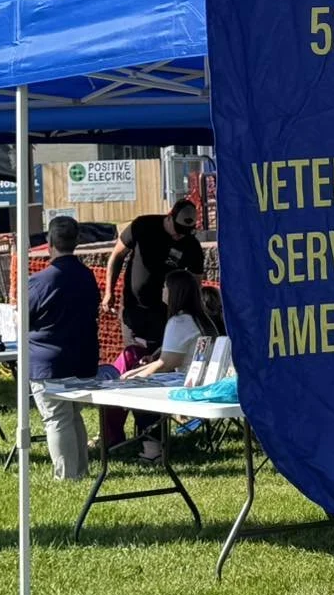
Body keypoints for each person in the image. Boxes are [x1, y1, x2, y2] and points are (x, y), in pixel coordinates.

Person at [24, 215, 101, 480]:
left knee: (56, 418)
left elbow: (23, 319)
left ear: (49, 244)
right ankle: (80, 470)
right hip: (83, 359)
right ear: (76, 241)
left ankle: (67, 476)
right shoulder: (88, 276)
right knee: (73, 415)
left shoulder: (39, 281)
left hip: (49, 363)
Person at [112, 270, 205, 460]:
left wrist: (133, 375)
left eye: (165, 287)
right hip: (202, 379)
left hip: (188, 383)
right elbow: (168, 357)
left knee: (139, 389)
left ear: (174, 292)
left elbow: (166, 364)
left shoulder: (179, 321)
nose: (162, 290)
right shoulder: (200, 318)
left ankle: (153, 449)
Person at [103, 199, 204, 358]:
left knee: (158, 358)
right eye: (177, 230)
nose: (179, 236)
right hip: (134, 306)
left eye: (184, 232)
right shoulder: (143, 225)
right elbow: (117, 255)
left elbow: (196, 282)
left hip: (166, 313)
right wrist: (109, 291)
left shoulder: (191, 245)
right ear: (169, 217)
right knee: (134, 356)